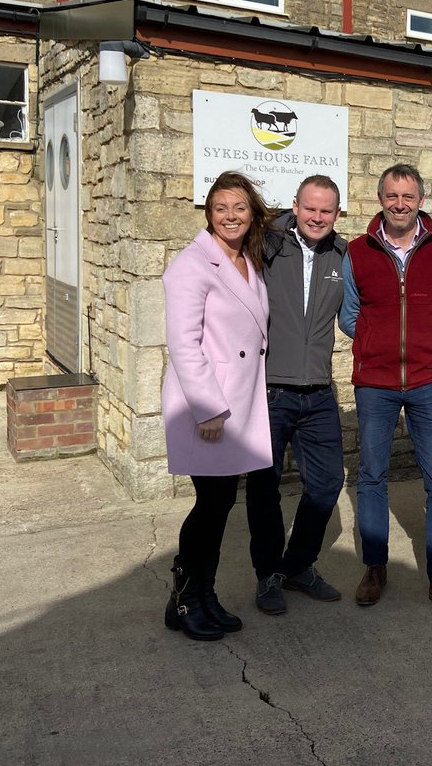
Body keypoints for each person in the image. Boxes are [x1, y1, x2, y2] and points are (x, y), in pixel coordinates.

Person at [339, 164, 432, 619]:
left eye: (409, 196)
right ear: (380, 198)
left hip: (429, 381)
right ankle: (375, 568)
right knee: (373, 477)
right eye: (392, 196)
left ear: (421, 200)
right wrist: (376, 344)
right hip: (376, 383)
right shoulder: (357, 252)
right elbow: (348, 315)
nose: (400, 204)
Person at [160, 171, 273, 642]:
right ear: (208, 212)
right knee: (211, 505)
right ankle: (186, 598)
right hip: (210, 407)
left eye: (240, 208)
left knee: (222, 502)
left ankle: (202, 596)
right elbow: (183, 344)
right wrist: (207, 409)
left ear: (252, 214)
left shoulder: (248, 260)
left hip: (240, 401)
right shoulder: (191, 264)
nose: (231, 216)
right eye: (221, 207)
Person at [245, 175, 348, 615]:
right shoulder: (266, 243)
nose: (317, 217)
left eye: (326, 210)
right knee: (264, 487)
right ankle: (268, 575)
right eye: (310, 208)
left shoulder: (345, 256)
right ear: (295, 206)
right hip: (270, 391)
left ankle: (298, 565)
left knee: (327, 485)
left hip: (319, 392)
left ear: (337, 214)